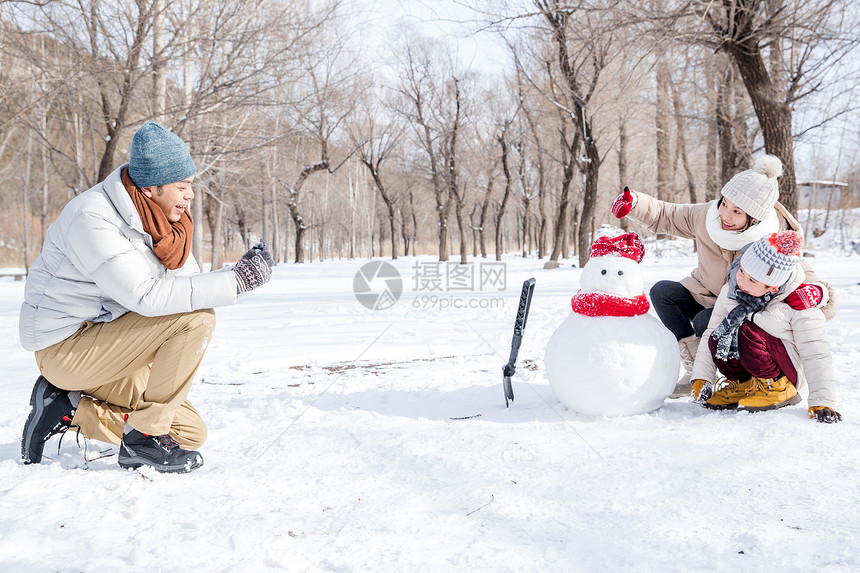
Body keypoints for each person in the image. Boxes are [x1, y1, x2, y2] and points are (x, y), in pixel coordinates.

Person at [19, 121, 274, 473]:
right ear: (152, 187)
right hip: (65, 349)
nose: (191, 195)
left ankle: (69, 408)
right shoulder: (93, 217)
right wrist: (235, 282)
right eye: (182, 186)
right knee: (198, 319)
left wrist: (237, 273)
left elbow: (186, 286)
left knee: (188, 433)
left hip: (109, 345)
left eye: (191, 186)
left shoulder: (162, 225)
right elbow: (148, 297)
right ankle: (141, 441)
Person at [611, 155, 837, 397]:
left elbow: (808, 280)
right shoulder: (708, 216)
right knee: (663, 292)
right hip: (704, 293)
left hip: (740, 309)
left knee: (705, 321)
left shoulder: (772, 241)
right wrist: (634, 203)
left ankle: (739, 373)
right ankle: (697, 370)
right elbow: (667, 214)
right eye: (724, 203)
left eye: (737, 211)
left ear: (755, 219)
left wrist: (817, 292)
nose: (725, 215)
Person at [690, 231, 841, 422]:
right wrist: (701, 377)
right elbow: (711, 331)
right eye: (742, 271)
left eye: (752, 280)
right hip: (752, 365)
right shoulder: (731, 290)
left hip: (785, 370)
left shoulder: (799, 302)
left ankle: (778, 389)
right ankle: (742, 384)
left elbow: (816, 352)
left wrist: (823, 400)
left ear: (773, 288)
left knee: (746, 330)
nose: (741, 281)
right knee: (720, 333)